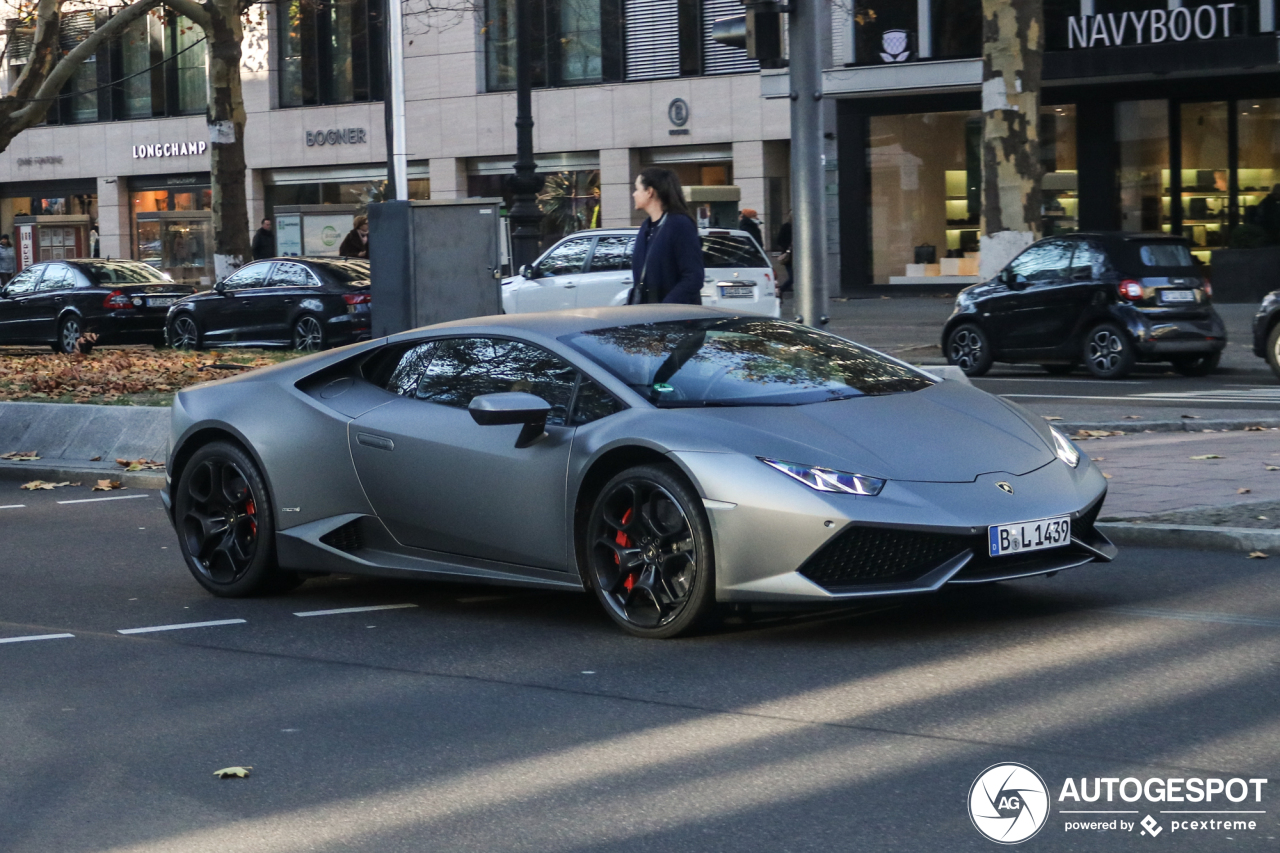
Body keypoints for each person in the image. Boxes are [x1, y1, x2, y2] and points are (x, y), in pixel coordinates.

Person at [629, 167, 704, 305]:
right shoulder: (647, 226)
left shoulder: (680, 224)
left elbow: (693, 277)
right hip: (647, 316)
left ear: (649, 192)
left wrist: (666, 308)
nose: (634, 194)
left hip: (674, 319)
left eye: (637, 189)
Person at [774, 212, 793, 295]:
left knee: (794, 277)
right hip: (789, 256)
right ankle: (781, 290)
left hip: (795, 256)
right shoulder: (786, 227)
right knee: (793, 277)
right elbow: (779, 240)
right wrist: (788, 246)